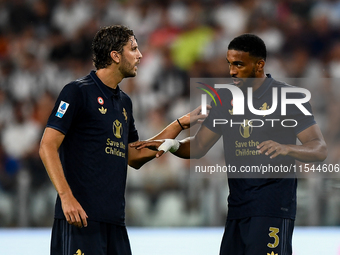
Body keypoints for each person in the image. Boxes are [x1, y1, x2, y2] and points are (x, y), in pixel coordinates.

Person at [132, 34, 328, 255]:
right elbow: (199, 146)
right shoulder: (224, 100)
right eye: (229, 64)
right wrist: (173, 145)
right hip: (237, 209)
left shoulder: (288, 97)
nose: (232, 71)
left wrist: (288, 148)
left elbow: (319, 148)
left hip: (272, 208)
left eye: (239, 64)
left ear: (259, 64)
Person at [39, 25, 206, 255]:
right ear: (115, 56)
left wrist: (178, 125)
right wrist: (66, 197)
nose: (140, 55)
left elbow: (135, 155)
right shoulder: (77, 92)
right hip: (80, 219)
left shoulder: (124, 102)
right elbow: (47, 145)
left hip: (115, 223)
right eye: (134, 49)